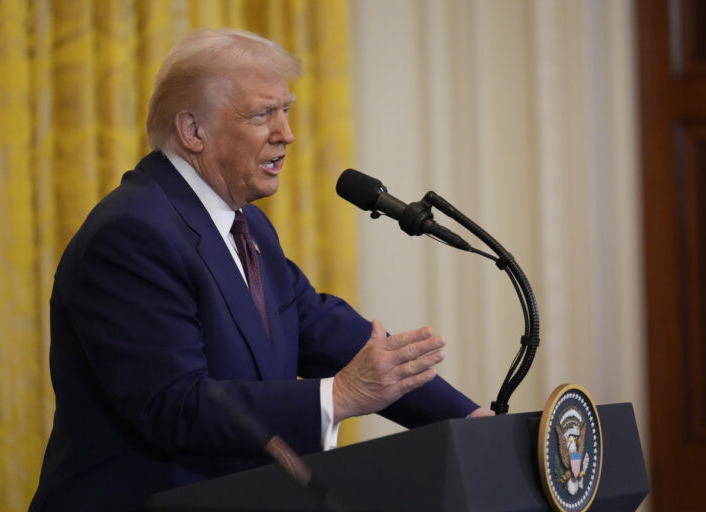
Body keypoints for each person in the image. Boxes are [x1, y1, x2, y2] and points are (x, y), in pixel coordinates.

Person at [29, 28, 491, 511]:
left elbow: (320, 328)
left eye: (285, 110)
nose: (286, 133)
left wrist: (467, 419)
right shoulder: (132, 233)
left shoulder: (246, 227)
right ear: (192, 131)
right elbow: (174, 405)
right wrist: (339, 395)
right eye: (261, 114)